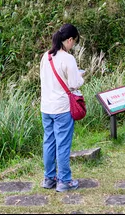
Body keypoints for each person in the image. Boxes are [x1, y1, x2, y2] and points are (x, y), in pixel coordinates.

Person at [40, 23, 85, 192]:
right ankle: (64, 180)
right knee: (63, 145)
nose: (73, 45)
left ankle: (49, 178)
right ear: (70, 40)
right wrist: (81, 77)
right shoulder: (68, 59)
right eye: (74, 41)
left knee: (49, 142)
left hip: (46, 107)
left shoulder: (46, 56)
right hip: (62, 109)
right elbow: (74, 84)